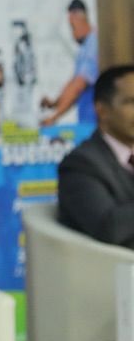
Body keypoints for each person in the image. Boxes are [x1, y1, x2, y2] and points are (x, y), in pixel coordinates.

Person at [57, 65, 134, 248]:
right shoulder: (80, 164)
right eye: (131, 101)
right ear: (102, 111)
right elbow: (109, 228)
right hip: (113, 264)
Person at [40, 0, 99, 127]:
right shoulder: (84, 48)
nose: (72, 33)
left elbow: (78, 86)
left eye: (72, 26)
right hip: (86, 124)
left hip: (96, 126)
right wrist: (54, 103)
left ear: (80, 18)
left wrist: (54, 118)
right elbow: (72, 83)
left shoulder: (94, 45)